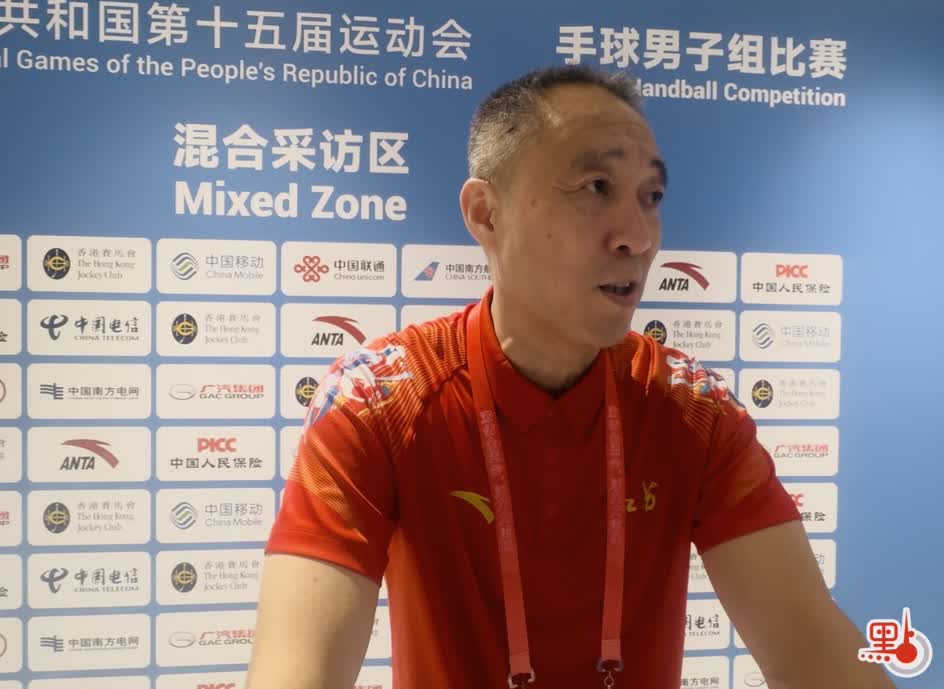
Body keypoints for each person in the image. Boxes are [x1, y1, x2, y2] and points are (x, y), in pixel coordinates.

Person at [245, 65, 894, 689]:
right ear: (486, 214)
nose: (638, 237)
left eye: (651, 197)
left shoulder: (693, 408)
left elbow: (814, 654)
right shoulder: (377, 400)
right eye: (596, 187)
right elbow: (297, 673)